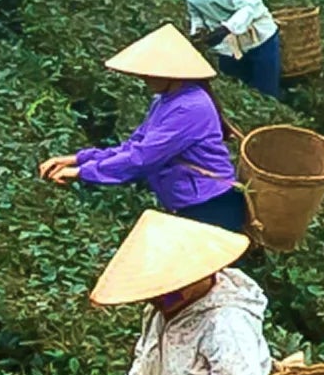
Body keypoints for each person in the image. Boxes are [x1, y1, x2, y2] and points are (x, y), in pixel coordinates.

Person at [86, 209, 272, 375]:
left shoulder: (225, 321)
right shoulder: (161, 308)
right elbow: (146, 355)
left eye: (171, 290)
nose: (160, 299)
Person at [36, 29, 248, 233]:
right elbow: (134, 146)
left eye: (150, 73)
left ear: (172, 74)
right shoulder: (164, 100)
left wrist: (83, 172)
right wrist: (76, 159)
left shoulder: (190, 108)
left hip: (210, 206)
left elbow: (143, 158)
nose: (144, 78)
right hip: (188, 202)